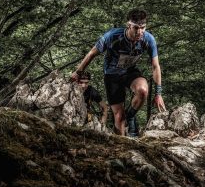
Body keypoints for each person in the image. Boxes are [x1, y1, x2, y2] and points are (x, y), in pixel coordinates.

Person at [71, 9, 166, 137]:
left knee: (143, 90)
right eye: (136, 28)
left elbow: (156, 66)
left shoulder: (148, 39)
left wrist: (158, 93)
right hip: (112, 75)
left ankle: (131, 116)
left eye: (143, 28)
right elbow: (92, 53)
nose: (139, 32)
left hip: (129, 72)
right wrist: (78, 72)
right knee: (119, 116)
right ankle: (121, 145)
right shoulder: (113, 36)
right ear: (129, 25)